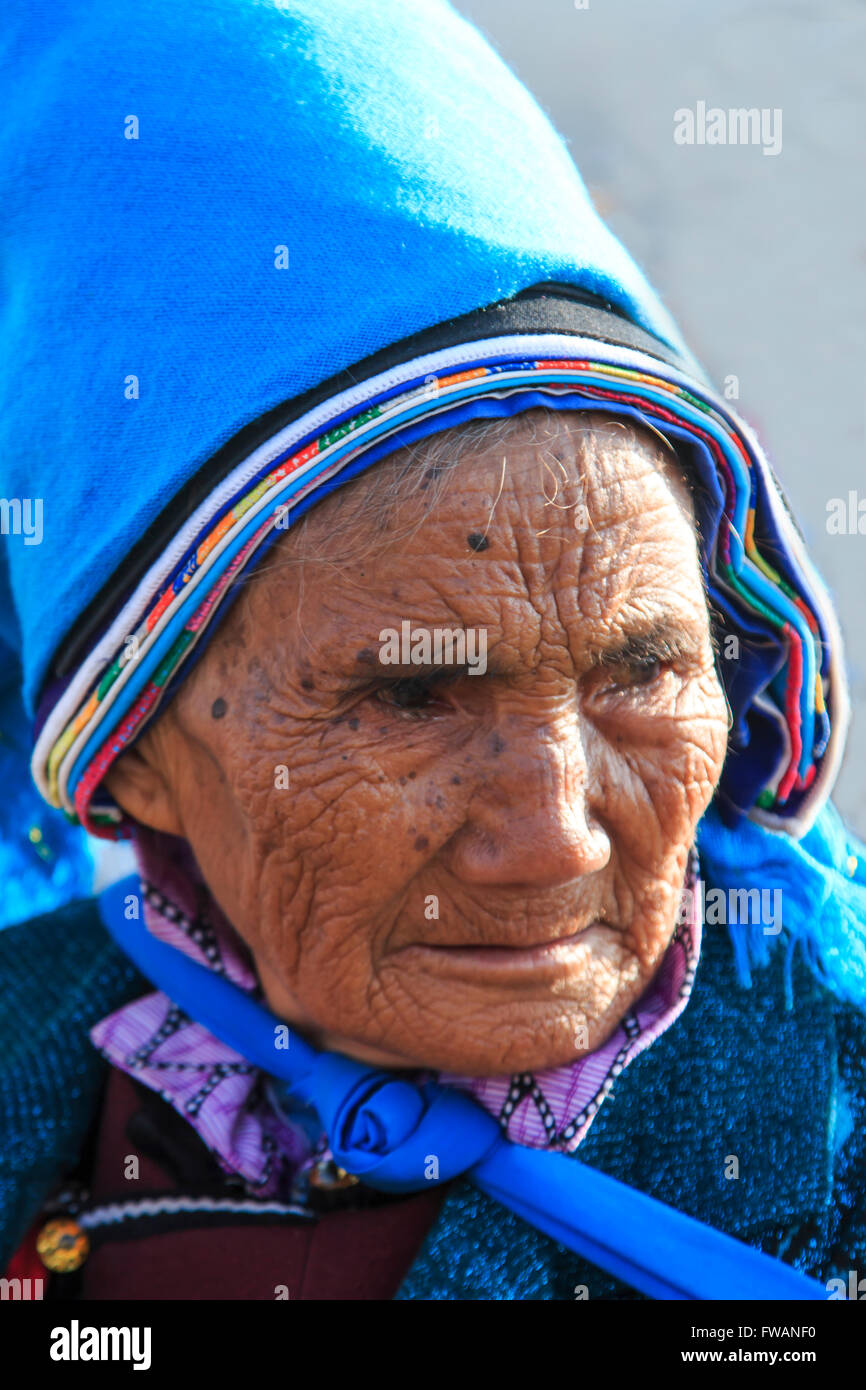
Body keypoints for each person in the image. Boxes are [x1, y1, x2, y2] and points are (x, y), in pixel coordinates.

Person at [1, 0, 864, 1301]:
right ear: (131, 745)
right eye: (408, 695)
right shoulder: (46, 1047)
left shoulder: (825, 1122)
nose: (558, 835)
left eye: (640, 673)